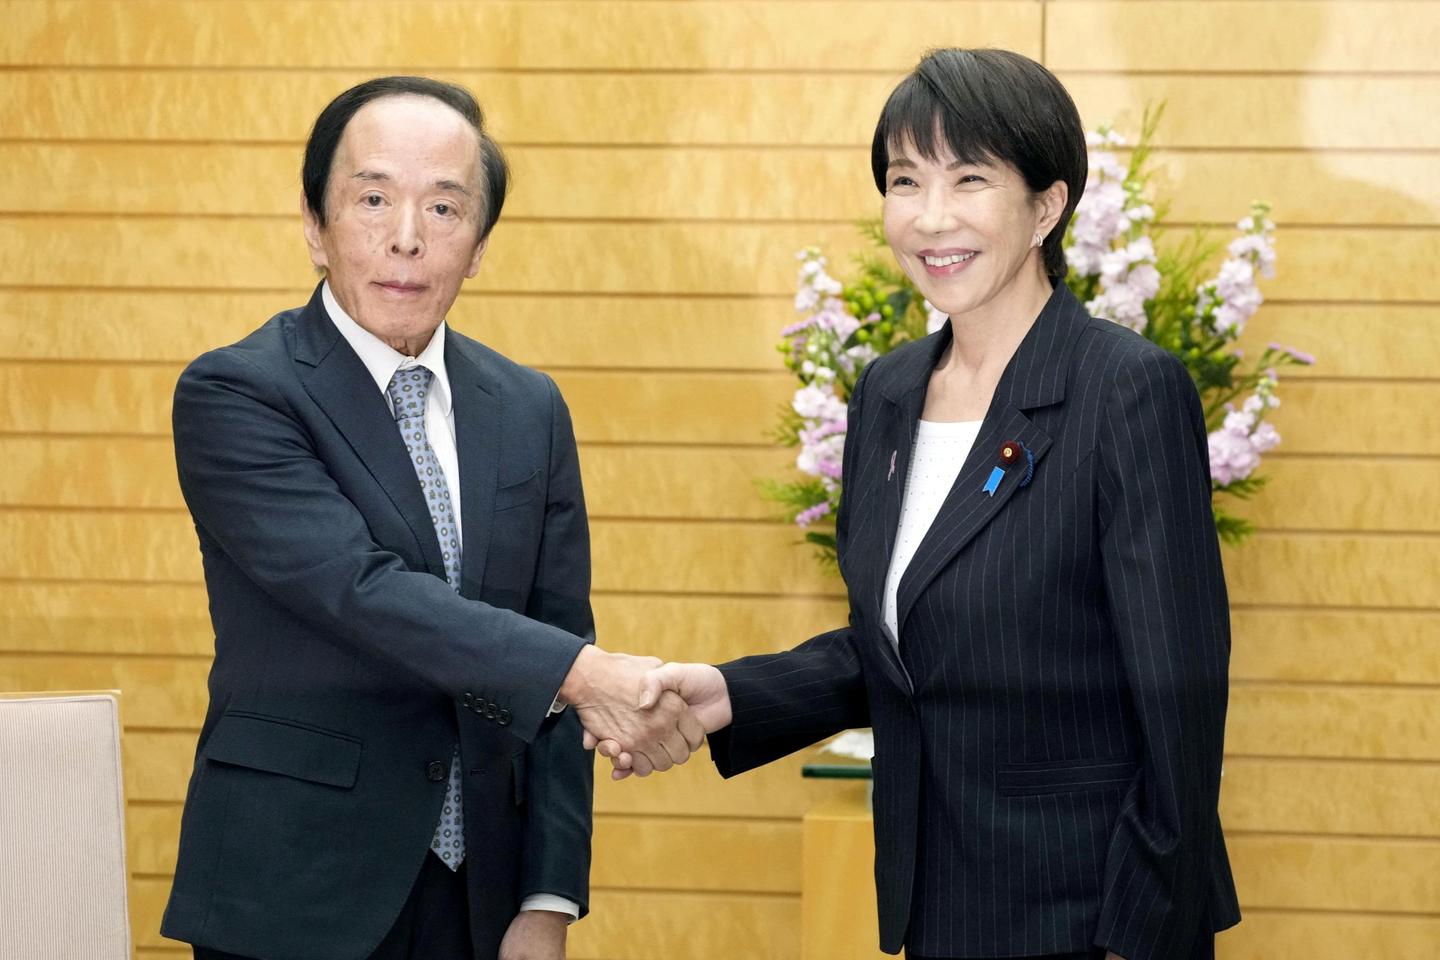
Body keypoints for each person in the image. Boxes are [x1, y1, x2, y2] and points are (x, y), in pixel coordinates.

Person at [596, 49, 1241, 960]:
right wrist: (729, 696)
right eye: (905, 181)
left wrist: (1142, 934)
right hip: (941, 905)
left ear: (1047, 207)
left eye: (970, 179)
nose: (931, 217)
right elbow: (907, 646)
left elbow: (1181, 694)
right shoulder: (889, 391)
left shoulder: (1124, 390)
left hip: (1089, 914)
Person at [161, 76, 703, 960]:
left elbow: (559, 633)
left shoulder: (528, 408)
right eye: (373, 199)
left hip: (480, 899)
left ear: (479, 245)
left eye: (444, 207)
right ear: (314, 223)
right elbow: (359, 591)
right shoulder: (239, 392)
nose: (407, 237)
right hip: (294, 889)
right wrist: (584, 674)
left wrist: (549, 897)